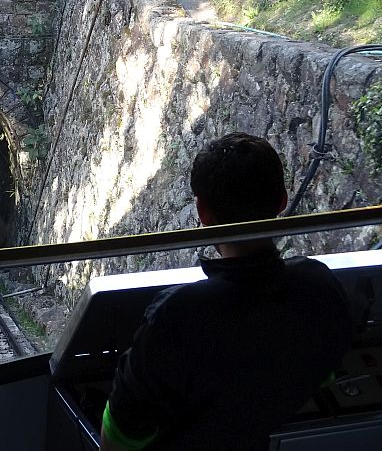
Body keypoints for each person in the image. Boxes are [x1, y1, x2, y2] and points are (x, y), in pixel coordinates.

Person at [99, 133, 353, 450]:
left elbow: (121, 436)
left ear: (203, 214)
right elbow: (322, 372)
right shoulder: (320, 286)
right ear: (282, 200)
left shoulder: (179, 315)